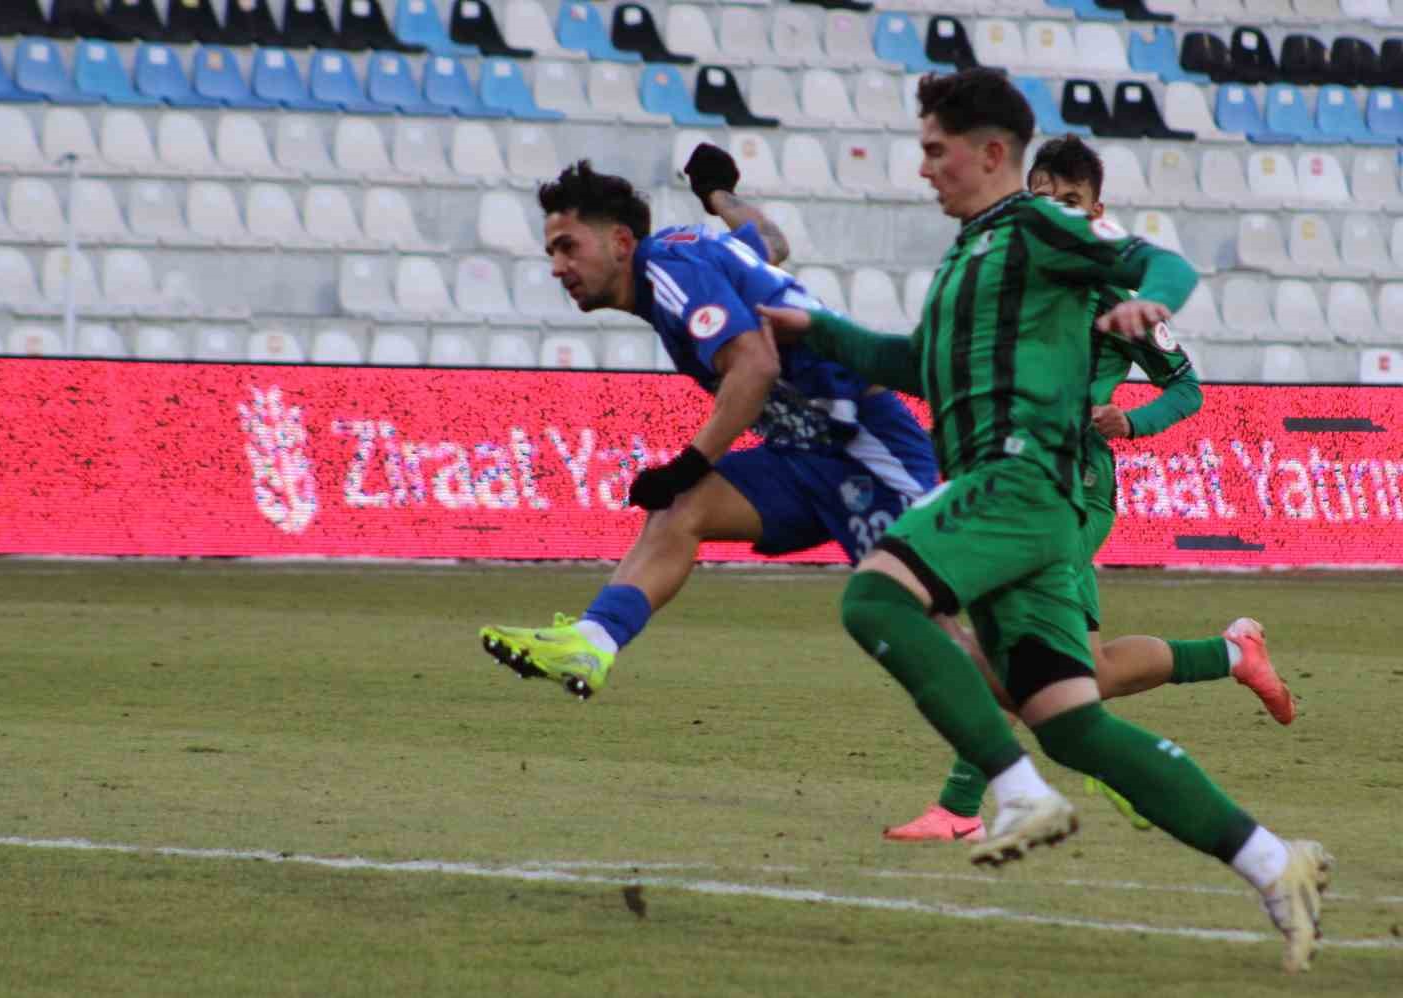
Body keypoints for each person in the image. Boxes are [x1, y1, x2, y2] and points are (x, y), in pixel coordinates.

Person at [757, 69, 1330, 974]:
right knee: (1073, 720)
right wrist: (808, 328)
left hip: (1021, 481)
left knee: (875, 600)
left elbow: (1162, 263)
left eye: (935, 150)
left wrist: (1153, 301)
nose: (922, 170)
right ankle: (1272, 862)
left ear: (991, 154)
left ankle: (1013, 792)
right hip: (1021, 498)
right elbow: (914, 361)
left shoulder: (1034, 224)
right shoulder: (970, 254)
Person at [885, 135, 1295, 845]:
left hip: (1074, 491)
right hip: (1012, 481)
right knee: (1084, 672)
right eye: (1044, 199)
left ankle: (961, 806)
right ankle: (1228, 657)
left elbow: (1186, 387)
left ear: (1095, 210)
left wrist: (1128, 422)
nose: (1055, 212)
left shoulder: (1111, 292)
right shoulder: (1004, 285)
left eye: (1070, 202)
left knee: (1018, 649)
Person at [478, 151, 938, 700]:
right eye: (552, 251)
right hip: (803, 457)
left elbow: (755, 366)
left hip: (870, 451)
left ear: (622, 243)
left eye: (568, 246)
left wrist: (686, 465)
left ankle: (1059, 727)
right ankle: (593, 639)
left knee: (936, 637)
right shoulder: (690, 255)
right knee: (680, 507)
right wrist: (719, 194)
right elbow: (771, 241)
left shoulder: (669, 270)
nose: (557, 268)